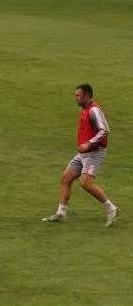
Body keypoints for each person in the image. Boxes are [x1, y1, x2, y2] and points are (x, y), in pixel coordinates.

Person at [42, 84, 119, 227]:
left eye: (78, 95)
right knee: (66, 178)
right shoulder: (85, 110)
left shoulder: (94, 110)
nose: (75, 98)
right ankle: (61, 213)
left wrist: (88, 144)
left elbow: (104, 130)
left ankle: (111, 208)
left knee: (85, 183)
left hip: (94, 153)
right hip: (83, 154)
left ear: (87, 96)